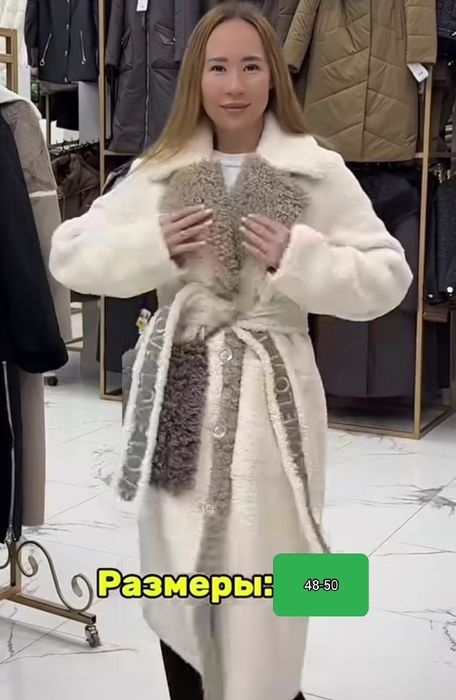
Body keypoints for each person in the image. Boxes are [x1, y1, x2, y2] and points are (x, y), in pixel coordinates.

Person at [49, 2, 413, 699]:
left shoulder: (314, 171)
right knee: (181, 575)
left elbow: (388, 277)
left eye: (251, 66)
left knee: (268, 583)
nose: (235, 84)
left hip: (272, 399)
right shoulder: (162, 170)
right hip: (183, 388)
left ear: (274, 75)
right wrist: (155, 247)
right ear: (197, 77)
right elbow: (71, 254)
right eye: (218, 67)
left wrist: (301, 257)